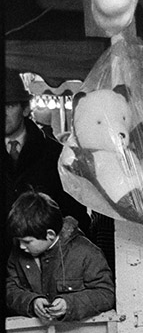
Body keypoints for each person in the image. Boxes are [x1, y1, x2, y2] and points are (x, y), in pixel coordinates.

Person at [6, 190, 115, 320]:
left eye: (27, 241)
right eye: (19, 240)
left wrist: (69, 304)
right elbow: (10, 289)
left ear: (50, 235)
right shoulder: (18, 253)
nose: (21, 246)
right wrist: (31, 302)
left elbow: (106, 294)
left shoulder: (86, 253)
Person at [5, 71, 91, 232]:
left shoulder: (56, 155)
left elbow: (76, 214)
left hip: (42, 254)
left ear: (25, 109)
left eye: (9, 105)